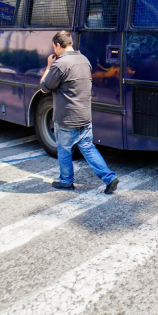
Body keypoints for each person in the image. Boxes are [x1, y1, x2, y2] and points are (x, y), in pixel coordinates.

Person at [40, 30, 119, 193]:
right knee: (88, 148)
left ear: (57, 45)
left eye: (54, 47)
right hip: (84, 116)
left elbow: (44, 87)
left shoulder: (60, 64)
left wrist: (49, 66)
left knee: (64, 149)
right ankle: (109, 178)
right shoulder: (84, 60)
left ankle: (66, 182)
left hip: (66, 118)